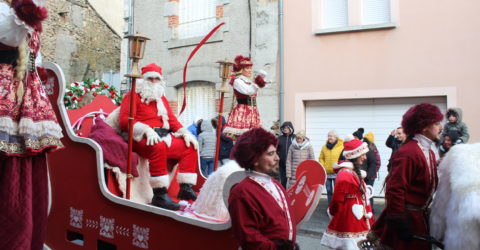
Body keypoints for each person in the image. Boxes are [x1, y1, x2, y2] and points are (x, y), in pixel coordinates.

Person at [0, 0, 64, 249]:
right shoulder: (9, 16)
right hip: (10, 98)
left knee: (23, 173)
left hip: (24, 103)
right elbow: (12, 31)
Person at [119, 63, 199, 210]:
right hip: (140, 137)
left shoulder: (161, 99)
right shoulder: (132, 96)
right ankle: (160, 195)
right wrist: (146, 130)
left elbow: (172, 120)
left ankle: (185, 187)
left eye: (157, 78)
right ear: (143, 80)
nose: (154, 81)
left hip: (162, 135)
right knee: (158, 146)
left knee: (190, 145)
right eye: (151, 78)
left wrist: (186, 133)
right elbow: (124, 121)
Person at [367, 103, 443, 250]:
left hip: (419, 219)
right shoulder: (409, 152)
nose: (441, 127)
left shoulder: (429, 152)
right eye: (437, 123)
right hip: (407, 220)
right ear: (423, 127)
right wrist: (399, 220)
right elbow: (395, 189)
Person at [228, 128, 298, 250]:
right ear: (254, 159)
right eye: (270, 154)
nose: (277, 158)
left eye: (276, 152)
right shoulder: (242, 192)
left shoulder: (276, 184)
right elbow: (248, 236)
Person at [321, 135, 374, 250]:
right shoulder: (345, 175)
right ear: (354, 156)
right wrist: (333, 212)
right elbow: (337, 199)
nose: (365, 158)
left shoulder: (354, 172)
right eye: (363, 155)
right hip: (349, 219)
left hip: (360, 218)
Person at [430, 143, 480, 250]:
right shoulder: (461, 154)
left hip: (463, 236)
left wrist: (436, 232)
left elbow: (441, 203)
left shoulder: (461, 153)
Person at [223, 55, 266, 140]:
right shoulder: (238, 81)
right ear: (241, 69)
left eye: (250, 68)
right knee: (243, 138)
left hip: (253, 111)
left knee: (253, 138)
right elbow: (249, 91)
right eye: (247, 68)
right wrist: (258, 80)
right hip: (243, 112)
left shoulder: (248, 81)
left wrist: (260, 79)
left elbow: (254, 90)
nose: (250, 70)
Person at [319, 130, 344, 204]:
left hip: (337, 173)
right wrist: (323, 166)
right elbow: (321, 158)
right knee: (329, 190)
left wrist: (339, 166)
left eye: (331, 136)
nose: (329, 138)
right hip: (327, 173)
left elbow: (343, 158)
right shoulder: (324, 147)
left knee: (337, 191)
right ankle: (330, 206)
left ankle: (337, 206)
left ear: (336, 137)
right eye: (328, 136)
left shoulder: (341, 146)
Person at [277, 121, 295, 188]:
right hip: (282, 164)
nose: (285, 129)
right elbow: (275, 149)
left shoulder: (295, 138)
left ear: (290, 128)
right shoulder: (279, 138)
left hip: (292, 165)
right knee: (283, 181)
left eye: (287, 128)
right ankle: (284, 196)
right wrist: (279, 158)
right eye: (284, 128)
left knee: (292, 182)